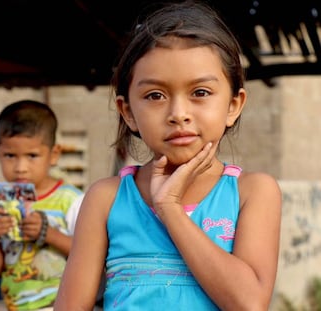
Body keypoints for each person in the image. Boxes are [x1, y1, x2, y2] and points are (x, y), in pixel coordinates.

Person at [54, 1, 282, 310]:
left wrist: (170, 209)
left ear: (233, 105)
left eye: (200, 92)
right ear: (128, 112)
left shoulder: (251, 193)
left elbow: (249, 303)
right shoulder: (107, 198)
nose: (178, 114)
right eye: (155, 96)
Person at [0, 99, 84, 310]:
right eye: (10, 155)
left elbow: (90, 255)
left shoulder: (70, 201)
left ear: (54, 154)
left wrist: (49, 234)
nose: (20, 167)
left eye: (32, 156)